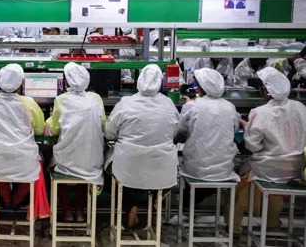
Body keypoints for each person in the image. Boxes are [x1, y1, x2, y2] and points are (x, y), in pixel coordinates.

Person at [226, 67, 306, 236]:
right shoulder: (300, 108)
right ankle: (272, 222)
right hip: (296, 169)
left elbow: (252, 146)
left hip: (267, 168)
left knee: (240, 182)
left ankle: (234, 227)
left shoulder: (260, 112)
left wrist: (246, 127)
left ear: (266, 91)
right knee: (276, 190)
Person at [105, 64, 179, 229]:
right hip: (161, 168)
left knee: (109, 172)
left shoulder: (125, 104)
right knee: (151, 179)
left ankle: (130, 207)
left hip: (127, 167)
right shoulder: (168, 104)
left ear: (138, 81)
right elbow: (175, 132)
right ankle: (149, 207)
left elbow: (109, 133)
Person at [0, 64, 50, 224]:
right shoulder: (29, 103)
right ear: (21, 83)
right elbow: (39, 129)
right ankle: (17, 200)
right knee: (37, 163)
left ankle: (7, 198)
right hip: (25, 164)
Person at [46, 62, 106, 222]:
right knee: (83, 166)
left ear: (67, 81)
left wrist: (48, 123)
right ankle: (79, 211)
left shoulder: (61, 100)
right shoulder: (96, 98)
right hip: (91, 164)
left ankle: (67, 211)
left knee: (56, 164)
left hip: (66, 163)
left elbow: (54, 128)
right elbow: (103, 124)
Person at [177, 68, 240, 207]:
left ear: (200, 88)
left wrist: (189, 104)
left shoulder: (191, 106)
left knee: (182, 159)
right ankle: (197, 201)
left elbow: (181, 132)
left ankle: (188, 205)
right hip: (224, 170)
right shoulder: (230, 107)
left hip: (196, 170)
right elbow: (234, 129)